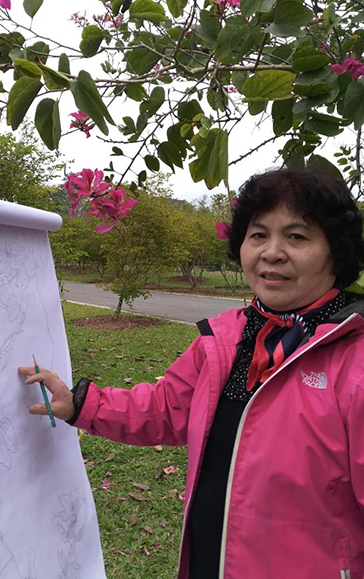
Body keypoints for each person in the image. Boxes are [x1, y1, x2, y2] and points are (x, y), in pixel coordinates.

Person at [19, 166, 364, 579]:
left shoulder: (354, 359)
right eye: (258, 235)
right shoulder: (225, 338)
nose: (272, 252)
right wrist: (81, 404)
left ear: (335, 252)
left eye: (297, 237)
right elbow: (165, 408)